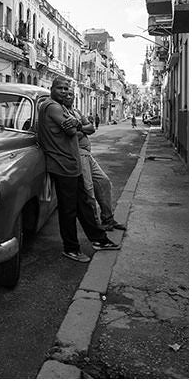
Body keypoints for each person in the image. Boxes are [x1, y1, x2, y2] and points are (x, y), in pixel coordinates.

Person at [37, 77, 120, 263]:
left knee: (83, 205)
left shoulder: (64, 107)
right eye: (60, 88)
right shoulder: (53, 106)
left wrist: (77, 125)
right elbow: (71, 130)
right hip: (62, 165)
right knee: (68, 210)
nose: (65, 92)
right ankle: (71, 248)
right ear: (52, 89)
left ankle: (99, 239)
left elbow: (79, 127)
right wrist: (77, 126)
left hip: (71, 165)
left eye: (67, 89)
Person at [63, 93, 127, 233]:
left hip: (87, 154)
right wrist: (82, 129)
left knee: (103, 182)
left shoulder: (76, 112)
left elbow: (91, 128)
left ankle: (108, 219)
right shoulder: (61, 112)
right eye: (64, 92)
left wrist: (80, 127)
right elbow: (71, 133)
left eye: (70, 93)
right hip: (78, 154)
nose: (68, 95)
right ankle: (96, 227)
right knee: (88, 191)